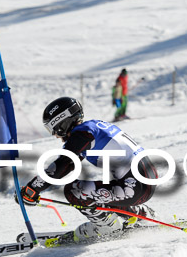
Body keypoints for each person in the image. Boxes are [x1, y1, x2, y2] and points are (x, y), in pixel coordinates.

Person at [17, 96, 158, 246]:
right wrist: (34, 187)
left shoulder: (83, 134)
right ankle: (140, 213)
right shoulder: (93, 128)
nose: (55, 135)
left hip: (136, 187)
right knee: (100, 191)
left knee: (74, 191)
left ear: (63, 122)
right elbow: (69, 164)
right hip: (144, 181)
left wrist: (32, 189)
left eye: (53, 129)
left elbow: (63, 165)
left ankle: (107, 228)